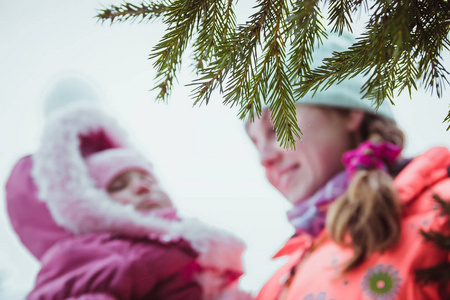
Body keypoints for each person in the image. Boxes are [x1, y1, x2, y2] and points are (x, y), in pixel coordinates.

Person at [245, 35, 450, 299]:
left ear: (351, 113)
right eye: (255, 143)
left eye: (276, 129)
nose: (264, 157)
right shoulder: (278, 284)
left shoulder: (440, 212)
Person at [6, 103, 251, 300]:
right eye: (119, 184)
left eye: (149, 179)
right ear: (94, 204)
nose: (142, 186)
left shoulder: (190, 251)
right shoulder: (95, 254)